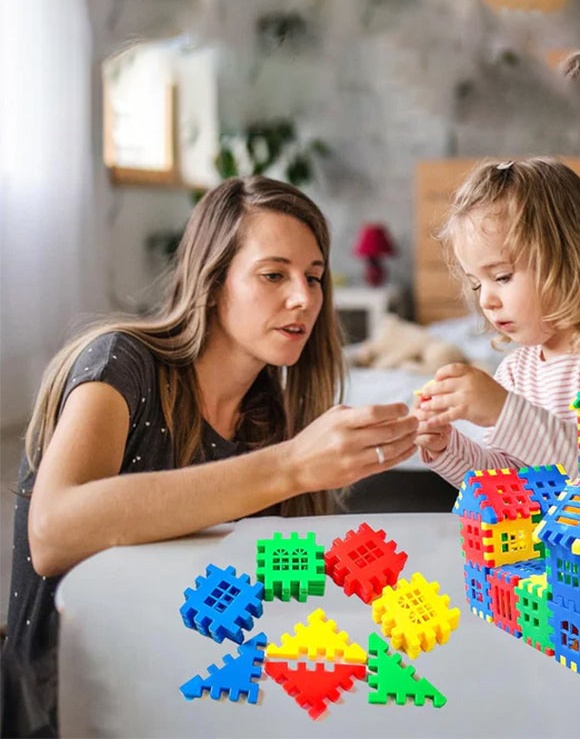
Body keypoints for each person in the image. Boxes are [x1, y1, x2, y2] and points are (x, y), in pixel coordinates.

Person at [1, 176, 418, 738]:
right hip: (71, 704)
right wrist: (290, 466)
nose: (304, 298)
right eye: (274, 275)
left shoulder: (272, 418)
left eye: (314, 277)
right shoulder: (120, 364)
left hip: (189, 691)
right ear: (214, 283)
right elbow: (53, 534)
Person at [414, 157, 580, 486]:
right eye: (476, 283)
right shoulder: (516, 371)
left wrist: (504, 411)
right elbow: (512, 483)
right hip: (551, 537)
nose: (485, 300)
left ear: (570, 259)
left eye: (502, 276)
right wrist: (448, 448)